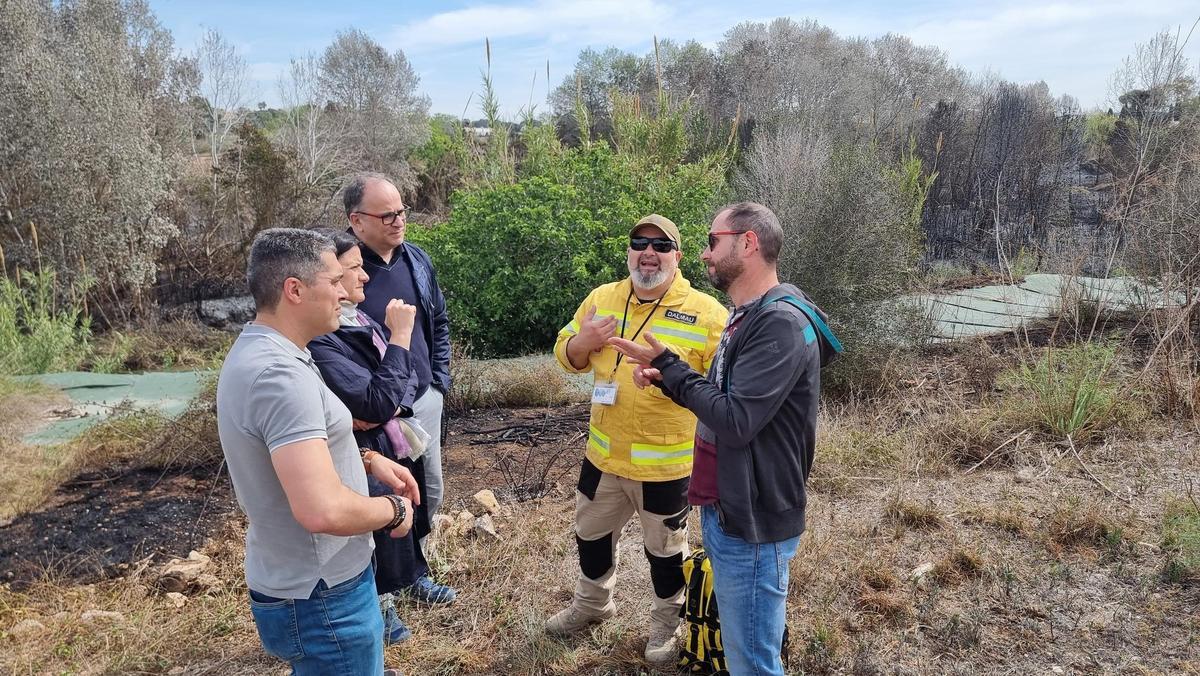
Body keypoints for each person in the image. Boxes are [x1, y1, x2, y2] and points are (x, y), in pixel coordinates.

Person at [610, 202, 830, 676]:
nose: (705, 254)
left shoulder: (778, 324)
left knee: (752, 663)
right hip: (729, 507)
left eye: (713, 242)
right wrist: (670, 378)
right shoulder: (748, 315)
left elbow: (735, 420)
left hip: (754, 521)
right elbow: (725, 400)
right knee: (742, 650)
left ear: (747, 243)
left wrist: (673, 369)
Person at [216, 228, 419, 676]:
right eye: (333, 281)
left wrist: (367, 460)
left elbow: (291, 452)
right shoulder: (279, 377)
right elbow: (321, 509)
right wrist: (394, 510)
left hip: (308, 585)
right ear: (295, 290)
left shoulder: (271, 353)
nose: (344, 293)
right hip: (324, 596)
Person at [546, 214, 728, 666]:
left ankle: (667, 623)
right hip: (602, 457)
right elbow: (565, 355)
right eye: (640, 243)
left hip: (665, 467)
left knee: (665, 553)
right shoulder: (602, 298)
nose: (649, 252)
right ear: (629, 251)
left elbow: (723, 393)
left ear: (677, 256)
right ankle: (592, 605)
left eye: (661, 245)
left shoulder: (707, 313)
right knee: (590, 535)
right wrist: (583, 341)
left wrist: (670, 378)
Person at [307, 229, 458, 646]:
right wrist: (400, 338)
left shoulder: (359, 317)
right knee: (375, 524)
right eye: (354, 269)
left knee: (413, 502)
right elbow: (375, 397)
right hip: (367, 444)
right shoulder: (324, 336)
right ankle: (382, 604)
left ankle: (412, 577)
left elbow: (400, 378)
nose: (365, 277)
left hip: (393, 431)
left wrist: (413, 394)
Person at [344, 174, 451, 552]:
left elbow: (438, 320)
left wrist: (438, 382)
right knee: (385, 494)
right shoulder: (341, 270)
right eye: (387, 215)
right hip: (375, 410)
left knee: (430, 489)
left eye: (402, 212)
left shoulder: (416, 259)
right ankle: (390, 578)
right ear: (357, 221)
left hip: (423, 399)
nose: (399, 221)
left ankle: (420, 565)